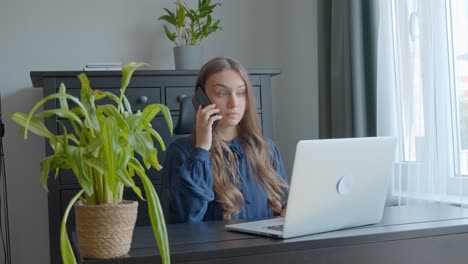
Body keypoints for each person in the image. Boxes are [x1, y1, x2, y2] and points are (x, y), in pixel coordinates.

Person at [165, 57, 288, 223]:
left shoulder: (267, 148)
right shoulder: (182, 151)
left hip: (266, 247)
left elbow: (284, 201)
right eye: (222, 93)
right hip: (215, 249)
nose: (233, 103)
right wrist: (201, 149)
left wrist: (288, 209)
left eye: (240, 93)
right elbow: (186, 219)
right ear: (202, 99)